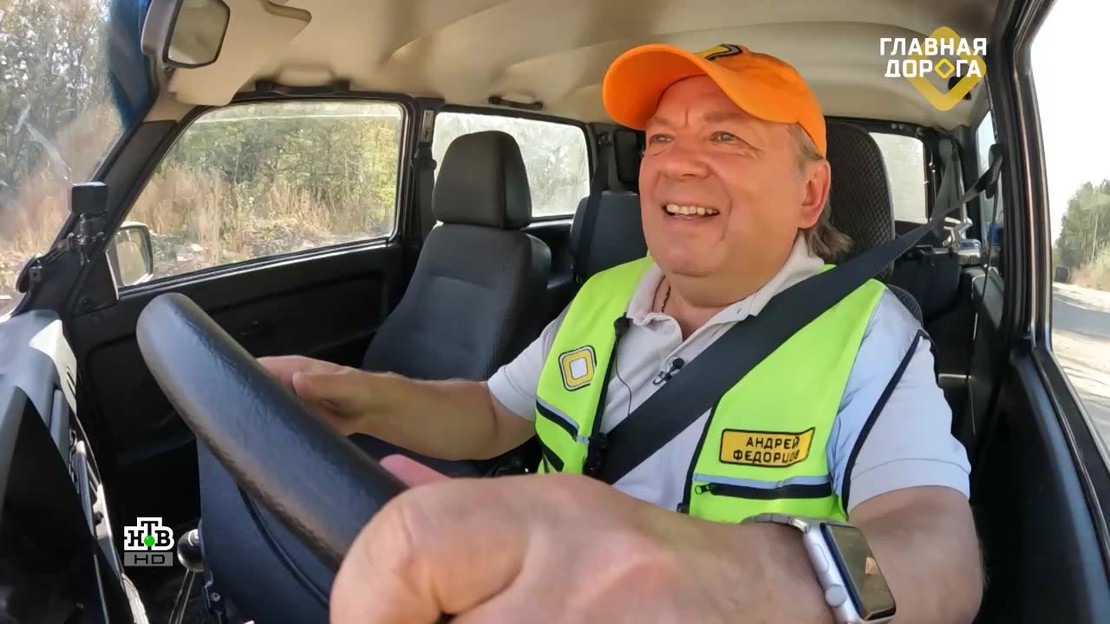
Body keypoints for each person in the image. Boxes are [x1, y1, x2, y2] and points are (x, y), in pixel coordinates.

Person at [262, 43, 982, 623]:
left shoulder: (869, 333)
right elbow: (493, 414)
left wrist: (737, 582)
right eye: (661, 137)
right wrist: (361, 399)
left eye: (726, 136)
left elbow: (937, 554)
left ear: (810, 193)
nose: (676, 162)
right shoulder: (604, 292)